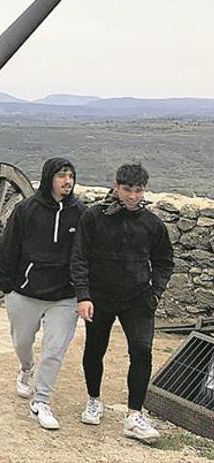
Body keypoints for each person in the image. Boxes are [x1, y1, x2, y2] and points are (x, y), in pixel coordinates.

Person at [72, 163, 175, 443]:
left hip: (138, 299)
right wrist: (83, 295)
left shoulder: (153, 224)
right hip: (100, 297)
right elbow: (79, 257)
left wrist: (155, 293)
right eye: (127, 190)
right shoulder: (93, 217)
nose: (132, 196)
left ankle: (134, 415)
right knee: (95, 349)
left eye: (138, 190)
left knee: (142, 352)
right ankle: (94, 400)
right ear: (116, 187)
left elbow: (164, 261)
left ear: (145, 190)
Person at [0, 158, 85, 430]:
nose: (67, 181)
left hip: (64, 295)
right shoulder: (26, 210)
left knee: (55, 349)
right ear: (49, 179)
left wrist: (83, 293)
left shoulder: (80, 212)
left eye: (70, 176)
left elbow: (85, 254)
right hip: (26, 291)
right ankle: (25, 368)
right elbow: (9, 246)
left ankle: (41, 400)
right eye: (61, 176)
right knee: (22, 342)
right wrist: (6, 285)